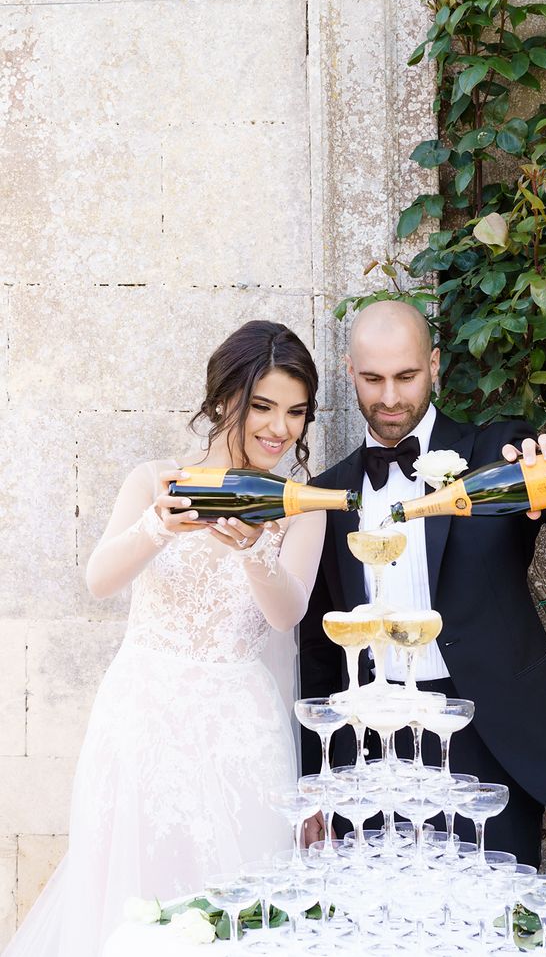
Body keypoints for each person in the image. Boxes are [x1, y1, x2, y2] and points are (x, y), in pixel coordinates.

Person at [6, 320, 325, 957]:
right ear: (220, 401)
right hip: (142, 712)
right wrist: (158, 527)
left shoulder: (300, 503)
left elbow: (288, 613)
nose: (279, 428)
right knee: (134, 887)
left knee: (240, 894)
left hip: (241, 721)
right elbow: (98, 580)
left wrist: (257, 552)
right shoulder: (155, 481)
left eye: (296, 412)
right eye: (261, 406)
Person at [299, 300, 546, 867]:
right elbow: (319, 653)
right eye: (372, 378)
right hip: (373, 739)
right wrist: (317, 781)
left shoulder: (496, 452)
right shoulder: (326, 493)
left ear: (434, 365)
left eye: (406, 376)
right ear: (349, 372)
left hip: (485, 733)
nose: (388, 397)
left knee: (495, 920)